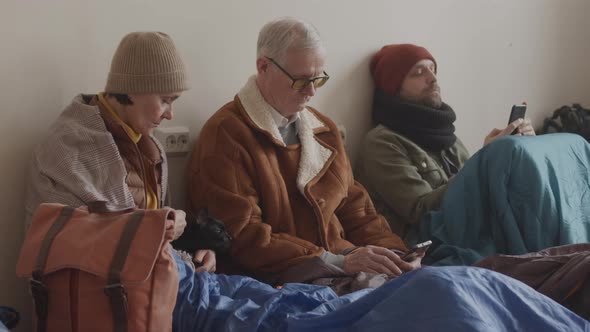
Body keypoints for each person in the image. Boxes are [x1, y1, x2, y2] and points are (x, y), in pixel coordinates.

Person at [188, 18, 418, 283]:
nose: (311, 92)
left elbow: (357, 211)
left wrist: (397, 255)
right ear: (263, 67)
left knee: (429, 286)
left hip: (343, 268)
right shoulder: (226, 135)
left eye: (318, 79)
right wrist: (340, 261)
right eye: (300, 80)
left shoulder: (324, 130)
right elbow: (243, 236)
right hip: (281, 280)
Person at [25, 31, 215, 273]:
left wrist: (193, 252)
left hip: (150, 287)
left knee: (266, 301)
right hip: (93, 299)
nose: (170, 114)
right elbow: (75, 243)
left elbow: (156, 241)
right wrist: (160, 227)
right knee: (263, 306)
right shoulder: (66, 149)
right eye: (166, 100)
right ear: (133, 90)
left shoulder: (150, 147)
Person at [355, 44, 535, 245]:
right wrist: (484, 159)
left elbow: (479, 192)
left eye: (433, 69)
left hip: (473, 233)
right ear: (394, 87)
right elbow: (420, 212)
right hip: (431, 246)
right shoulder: (382, 142)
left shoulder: (446, 135)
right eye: (419, 72)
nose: (433, 78)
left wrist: (516, 152)